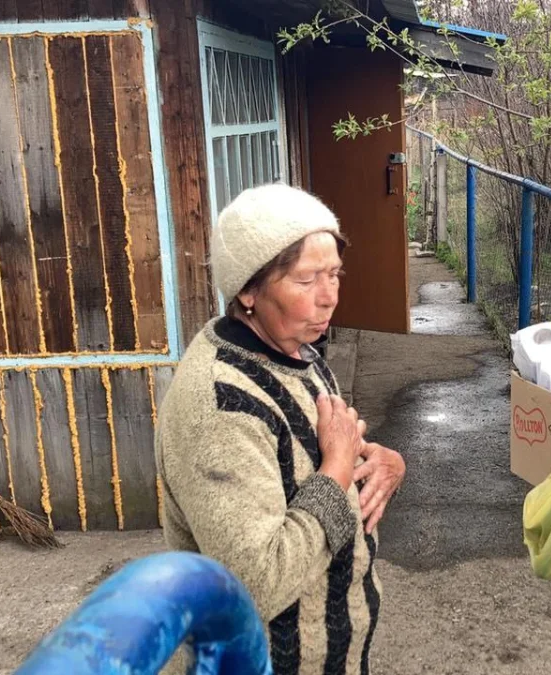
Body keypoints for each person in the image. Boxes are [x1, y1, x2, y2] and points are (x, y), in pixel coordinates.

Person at [155, 184, 406, 674]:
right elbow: (256, 583)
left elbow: (316, 454)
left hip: (334, 652)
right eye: (306, 279)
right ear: (248, 290)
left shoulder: (296, 350)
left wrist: (382, 463)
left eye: (334, 274)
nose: (330, 297)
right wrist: (337, 469)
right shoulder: (219, 405)